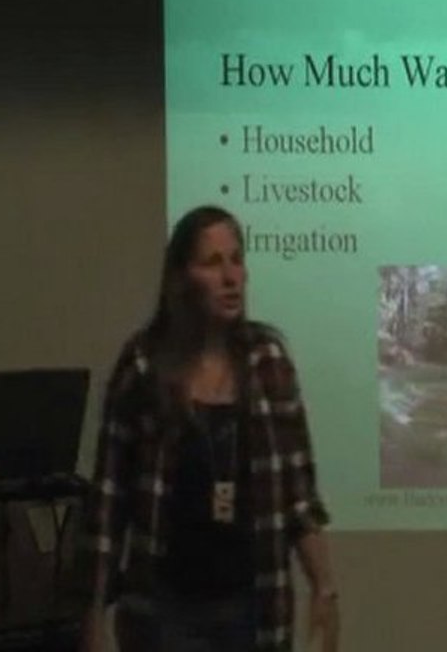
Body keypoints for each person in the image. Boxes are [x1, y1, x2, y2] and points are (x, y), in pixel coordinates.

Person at [77, 205, 338, 652]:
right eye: (213, 263)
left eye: (237, 260)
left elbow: (299, 497)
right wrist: (92, 616)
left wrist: (325, 586)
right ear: (181, 278)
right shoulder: (144, 365)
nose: (231, 276)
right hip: (163, 611)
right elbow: (108, 502)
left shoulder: (267, 363)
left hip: (250, 607)